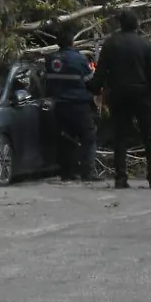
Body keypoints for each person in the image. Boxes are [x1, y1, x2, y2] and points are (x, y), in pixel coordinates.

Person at [88, 10, 151, 189]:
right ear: (137, 25)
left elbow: (101, 72)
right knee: (149, 135)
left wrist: (96, 90)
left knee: (120, 136)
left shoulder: (111, 44)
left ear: (120, 25)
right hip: (143, 95)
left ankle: (121, 178)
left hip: (119, 94)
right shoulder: (145, 44)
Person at [42, 23, 101, 182]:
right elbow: (90, 81)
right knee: (88, 137)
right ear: (72, 42)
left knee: (66, 139)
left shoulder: (50, 60)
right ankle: (87, 173)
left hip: (59, 106)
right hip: (78, 105)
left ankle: (67, 173)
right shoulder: (79, 59)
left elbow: (46, 82)